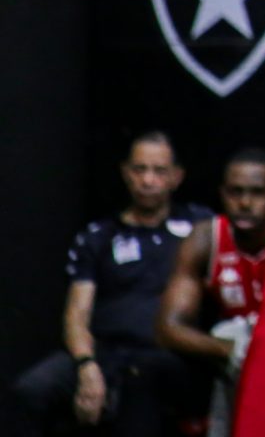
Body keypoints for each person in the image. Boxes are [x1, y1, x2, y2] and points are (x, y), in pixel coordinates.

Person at [7, 131, 211, 437]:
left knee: (143, 379)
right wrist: (86, 365)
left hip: (166, 357)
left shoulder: (200, 228)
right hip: (106, 352)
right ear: (126, 173)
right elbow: (76, 314)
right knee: (30, 390)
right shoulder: (98, 236)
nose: (148, 180)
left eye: (159, 171)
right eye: (139, 169)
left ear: (176, 177)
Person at [157, 147, 265, 437]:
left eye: (257, 193)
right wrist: (230, 350)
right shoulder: (206, 237)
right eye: (235, 192)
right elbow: (168, 327)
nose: (245, 202)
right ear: (222, 194)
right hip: (231, 352)